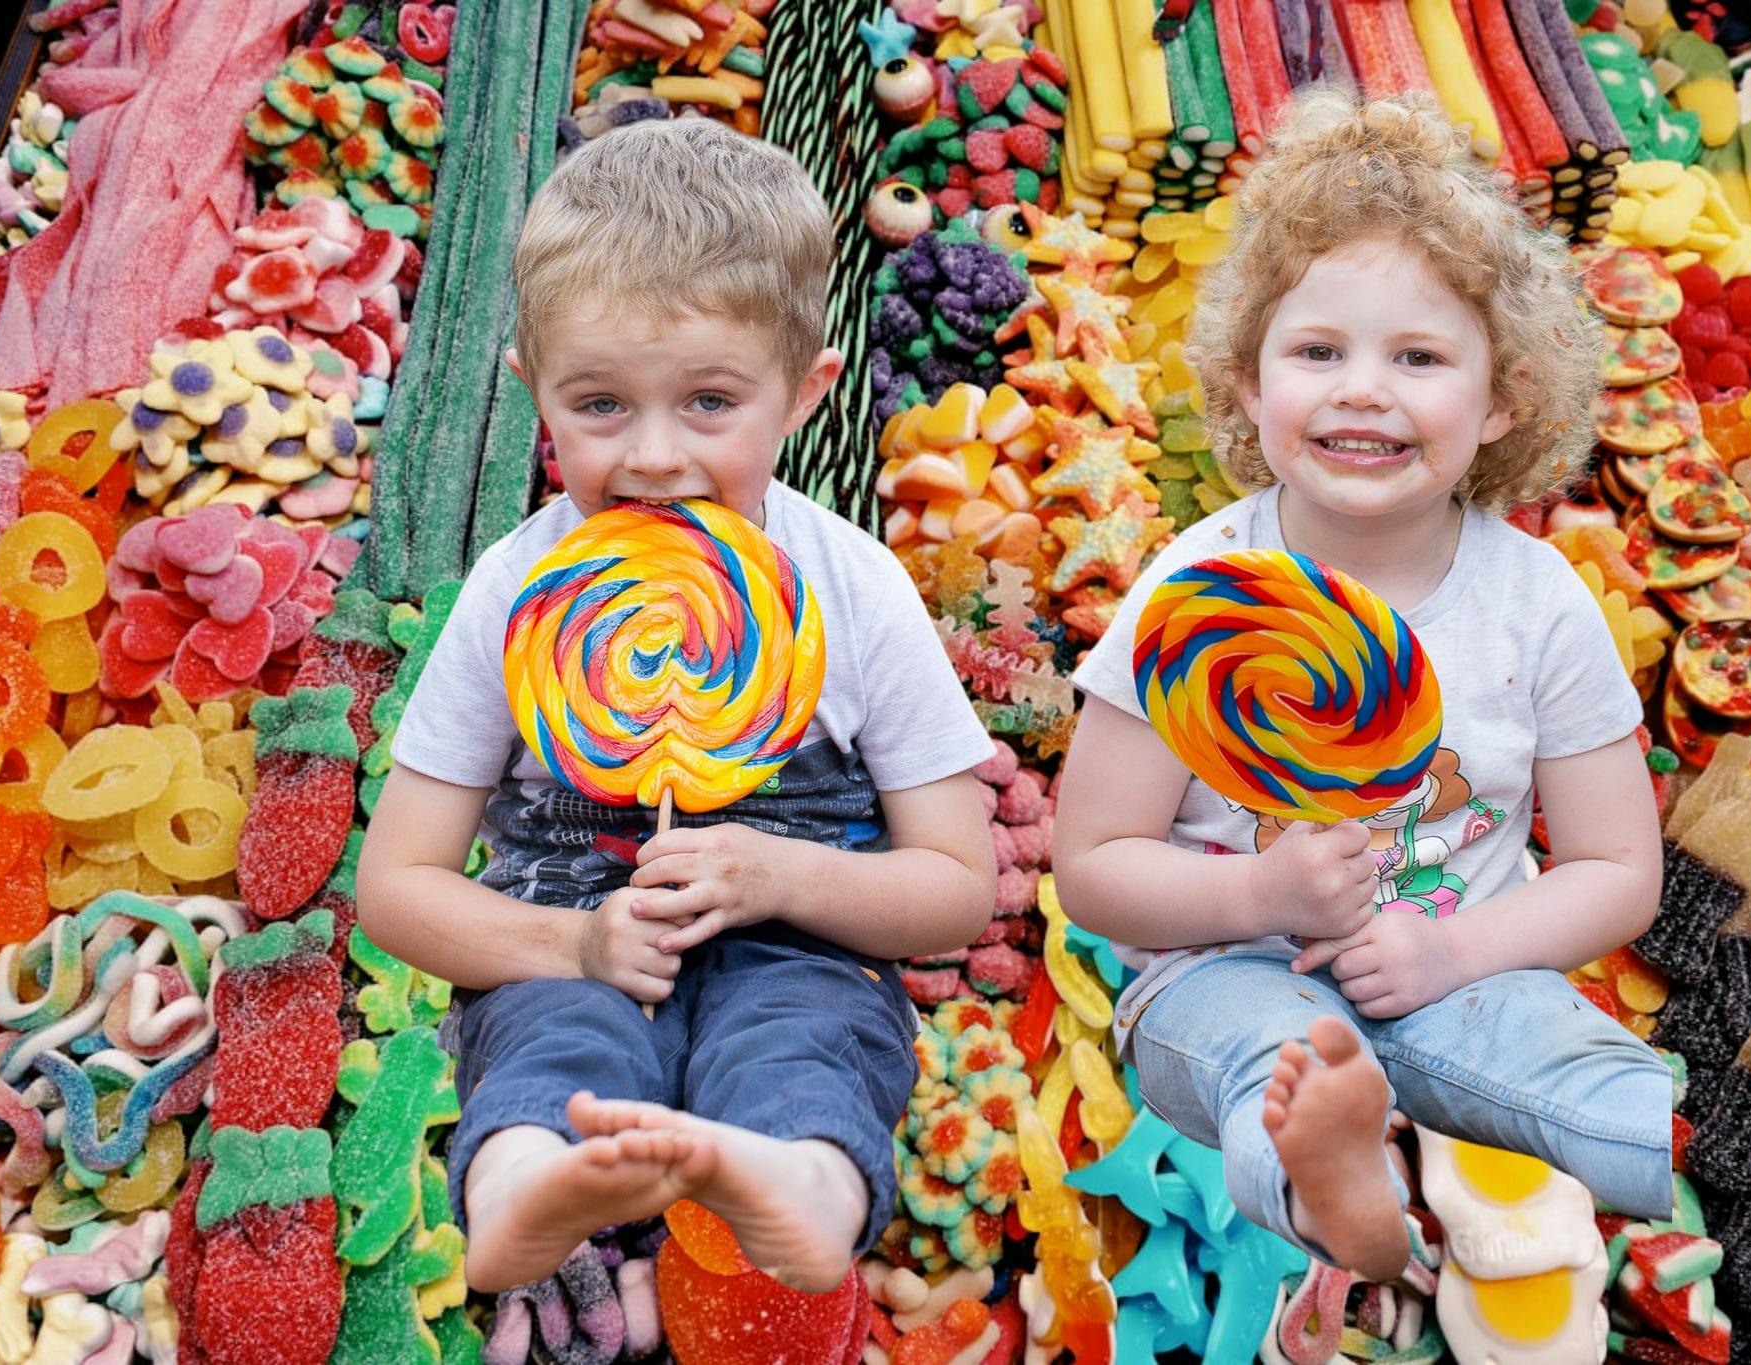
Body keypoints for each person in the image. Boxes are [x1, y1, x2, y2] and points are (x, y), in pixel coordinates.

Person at [356, 117, 997, 1295]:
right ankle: (519, 1186)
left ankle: (800, 1184)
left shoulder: (852, 588)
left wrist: (780, 877)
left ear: (803, 392)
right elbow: (396, 887)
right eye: (599, 405)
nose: (654, 456)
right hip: (575, 928)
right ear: (529, 390)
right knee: (556, 1035)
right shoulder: (515, 594)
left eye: (710, 403)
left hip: (807, 936)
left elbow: (956, 888)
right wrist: (575, 943)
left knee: (804, 1039)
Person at [1052, 89, 1673, 1280]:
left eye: (1419, 357)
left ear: (1502, 399)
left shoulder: (1536, 602)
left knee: (1577, 1074)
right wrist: (1257, 895)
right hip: (1221, 969)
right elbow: (1092, 867)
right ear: (1247, 383)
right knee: (1266, 1063)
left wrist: (1454, 955)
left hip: (1464, 962)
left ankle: (1693, 1185)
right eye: (1317, 351)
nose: (1361, 390)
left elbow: (1613, 872)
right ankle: (1333, 1186)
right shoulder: (1200, 595)